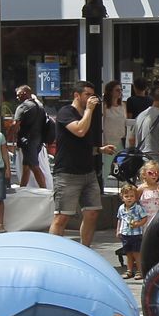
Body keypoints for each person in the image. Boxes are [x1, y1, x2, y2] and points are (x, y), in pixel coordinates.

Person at [49, 82, 117, 246]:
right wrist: (89, 111)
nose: (90, 99)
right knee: (62, 216)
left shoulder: (88, 115)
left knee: (92, 213)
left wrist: (100, 150)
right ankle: (52, 250)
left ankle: (85, 250)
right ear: (76, 95)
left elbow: (83, 144)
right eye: (87, 95)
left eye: (92, 95)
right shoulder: (66, 112)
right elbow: (79, 131)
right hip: (67, 173)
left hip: (88, 172)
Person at [13, 85, 49, 189]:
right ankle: (23, 187)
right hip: (38, 141)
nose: (17, 97)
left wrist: (11, 138)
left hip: (28, 141)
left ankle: (44, 189)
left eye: (18, 95)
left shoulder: (23, 107)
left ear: (24, 93)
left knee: (34, 166)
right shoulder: (40, 106)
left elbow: (15, 124)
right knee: (26, 166)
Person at [114, 182, 148, 280]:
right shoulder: (121, 208)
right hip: (125, 234)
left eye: (132, 196)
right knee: (128, 253)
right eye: (126, 196)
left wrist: (138, 224)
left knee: (136, 253)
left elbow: (144, 218)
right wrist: (118, 230)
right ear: (122, 197)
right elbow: (119, 219)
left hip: (136, 234)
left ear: (135, 197)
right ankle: (129, 270)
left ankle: (139, 271)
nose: (129, 198)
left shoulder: (138, 208)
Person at [101, 80, 129, 180]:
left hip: (120, 140)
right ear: (110, 91)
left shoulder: (123, 105)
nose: (120, 92)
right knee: (106, 167)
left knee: (120, 168)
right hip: (108, 141)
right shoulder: (104, 106)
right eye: (117, 90)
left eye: (121, 90)